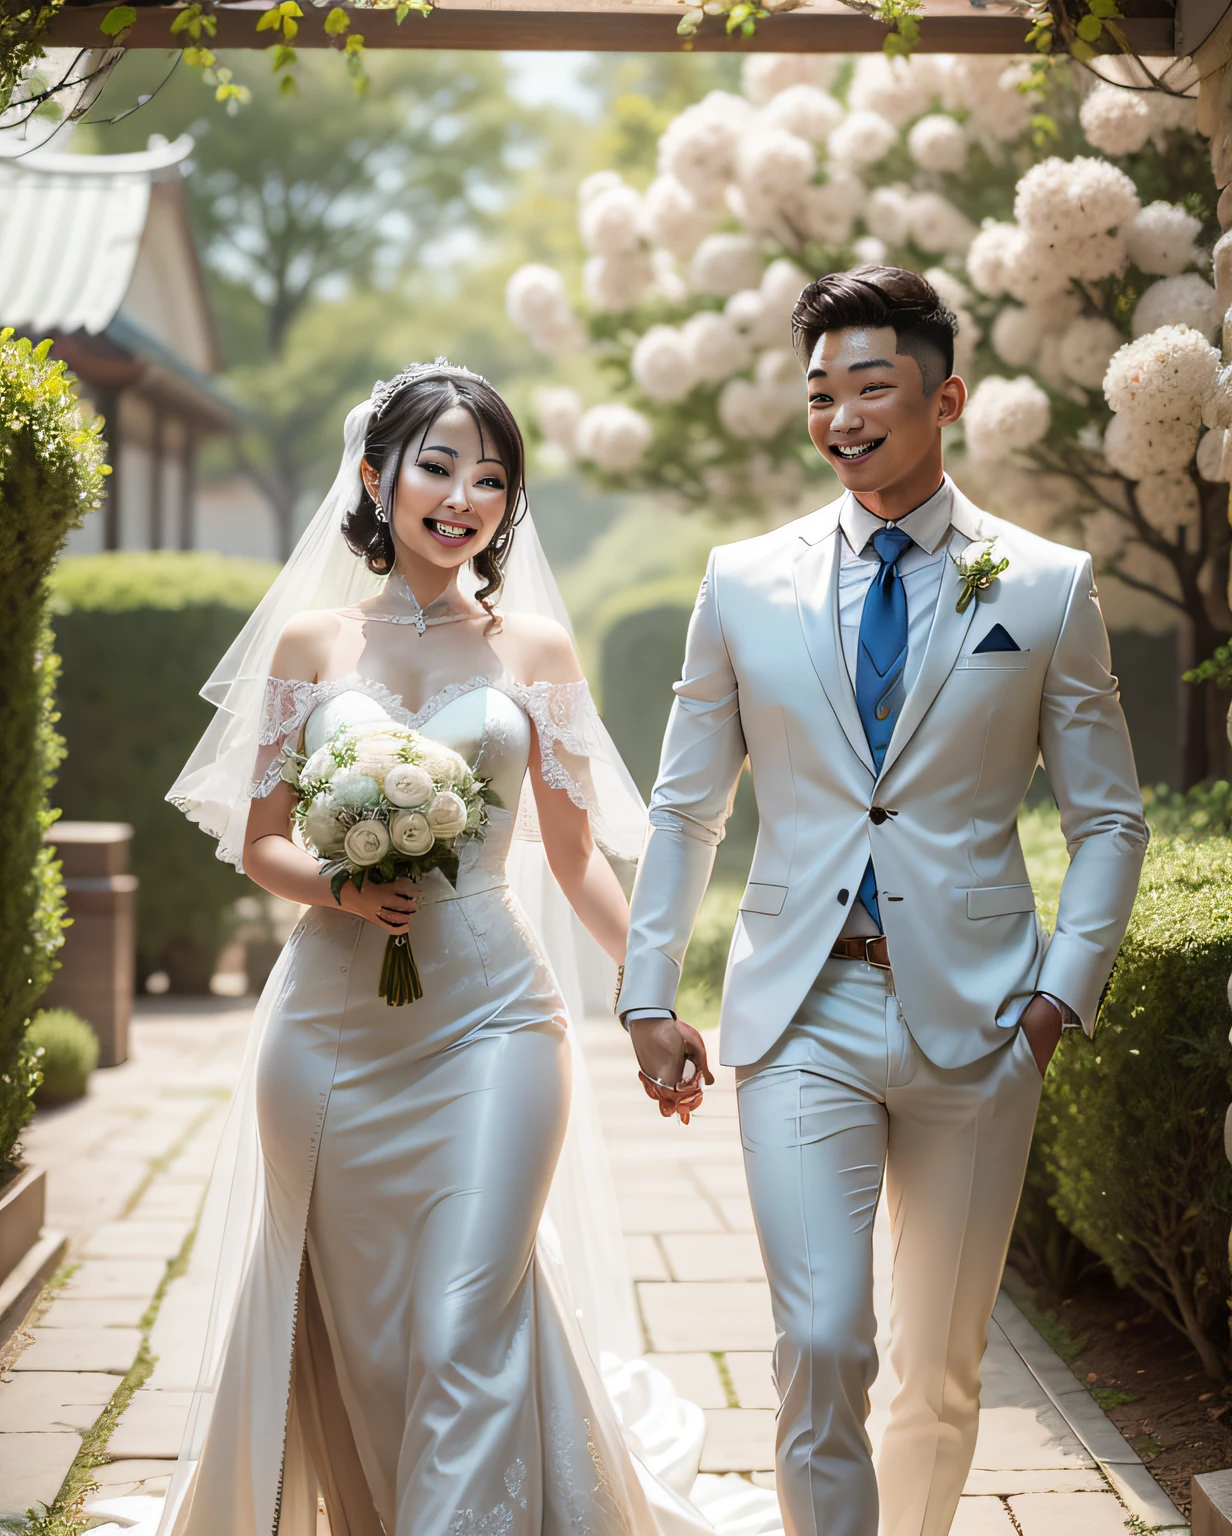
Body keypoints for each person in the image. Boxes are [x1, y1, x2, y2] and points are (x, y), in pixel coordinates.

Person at [617, 267, 1147, 1536]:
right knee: (819, 1339)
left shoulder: (1042, 584)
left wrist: (1055, 1001)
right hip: (801, 1011)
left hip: (980, 1024)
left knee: (938, 1374)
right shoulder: (742, 582)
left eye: (871, 387)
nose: (843, 417)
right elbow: (687, 807)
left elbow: (1108, 818)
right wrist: (646, 992)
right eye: (821, 395)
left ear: (943, 397)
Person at [162, 362, 725, 1536]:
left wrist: (650, 995)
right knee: (360, 1330)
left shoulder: (537, 654)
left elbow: (572, 862)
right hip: (326, 1029)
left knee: (466, 1311)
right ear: (375, 477)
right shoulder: (313, 646)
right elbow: (260, 843)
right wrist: (345, 887)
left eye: (491, 477)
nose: (463, 494)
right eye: (436, 465)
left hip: (493, 1025)